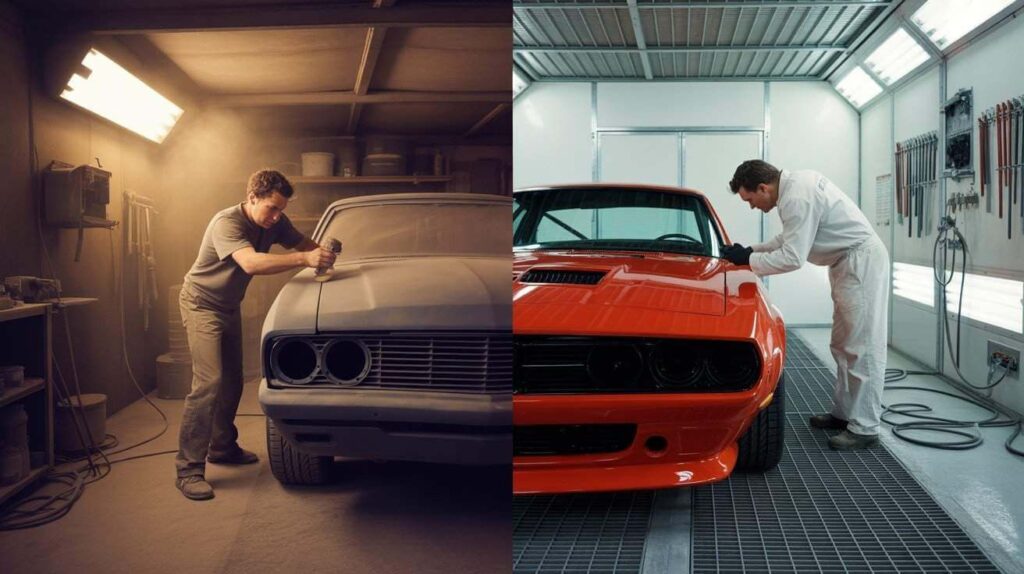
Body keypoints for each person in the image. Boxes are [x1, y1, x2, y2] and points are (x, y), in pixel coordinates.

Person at [175, 169, 337, 500]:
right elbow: (250, 263)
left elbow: (304, 244)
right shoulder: (227, 223)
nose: (276, 216)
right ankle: (188, 469)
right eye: (272, 208)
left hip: (228, 305)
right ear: (252, 198)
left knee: (234, 380)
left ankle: (222, 448)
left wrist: (323, 252)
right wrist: (304, 259)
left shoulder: (275, 221)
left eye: (281, 210)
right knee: (208, 383)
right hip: (201, 303)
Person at [722, 160, 889, 450]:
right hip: (846, 263)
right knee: (842, 344)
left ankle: (865, 426)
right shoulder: (796, 188)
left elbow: (792, 257)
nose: (752, 207)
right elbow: (789, 238)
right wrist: (751, 250)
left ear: (763, 188)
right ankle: (844, 414)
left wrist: (747, 260)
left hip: (859, 263)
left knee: (862, 346)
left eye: (750, 200)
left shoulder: (797, 197)